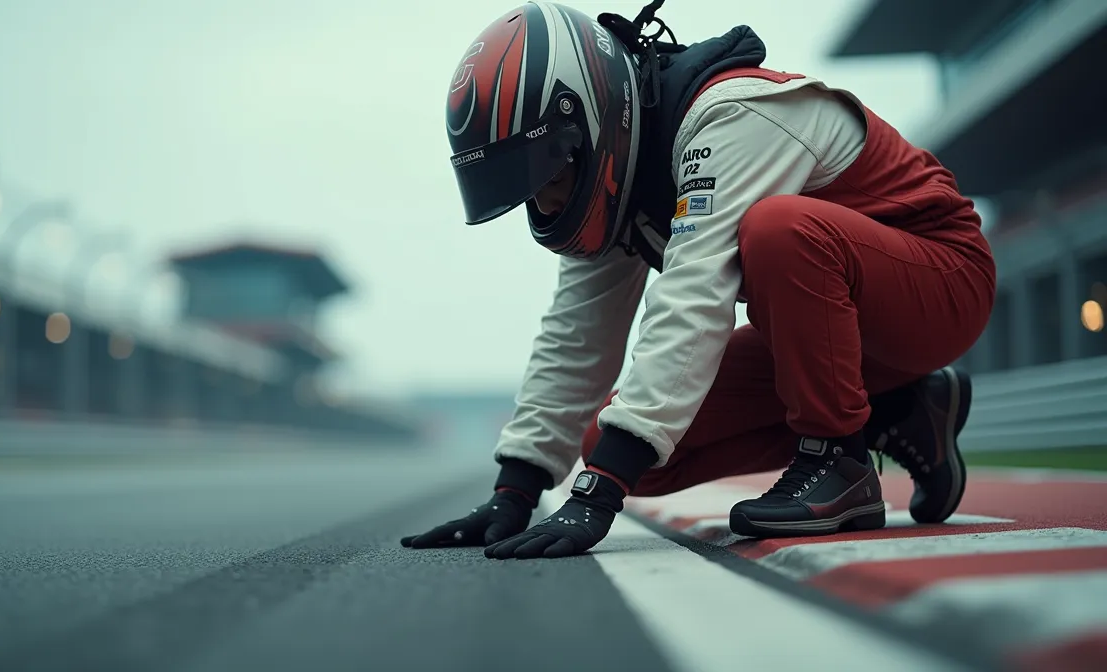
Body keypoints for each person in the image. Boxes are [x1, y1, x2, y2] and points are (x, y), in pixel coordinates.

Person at [401, 0, 994, 560]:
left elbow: (693, 297)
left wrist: (598, 493)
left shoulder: (731, 116)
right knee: (616, 448)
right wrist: (515, 490)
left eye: (543, 172)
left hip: (942, 284)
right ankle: (898, 411)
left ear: (584, 116)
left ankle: (839, 461)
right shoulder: (617, 174)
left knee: (778, 230)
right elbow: (576, 337)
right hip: (842, 341)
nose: (545, 198)